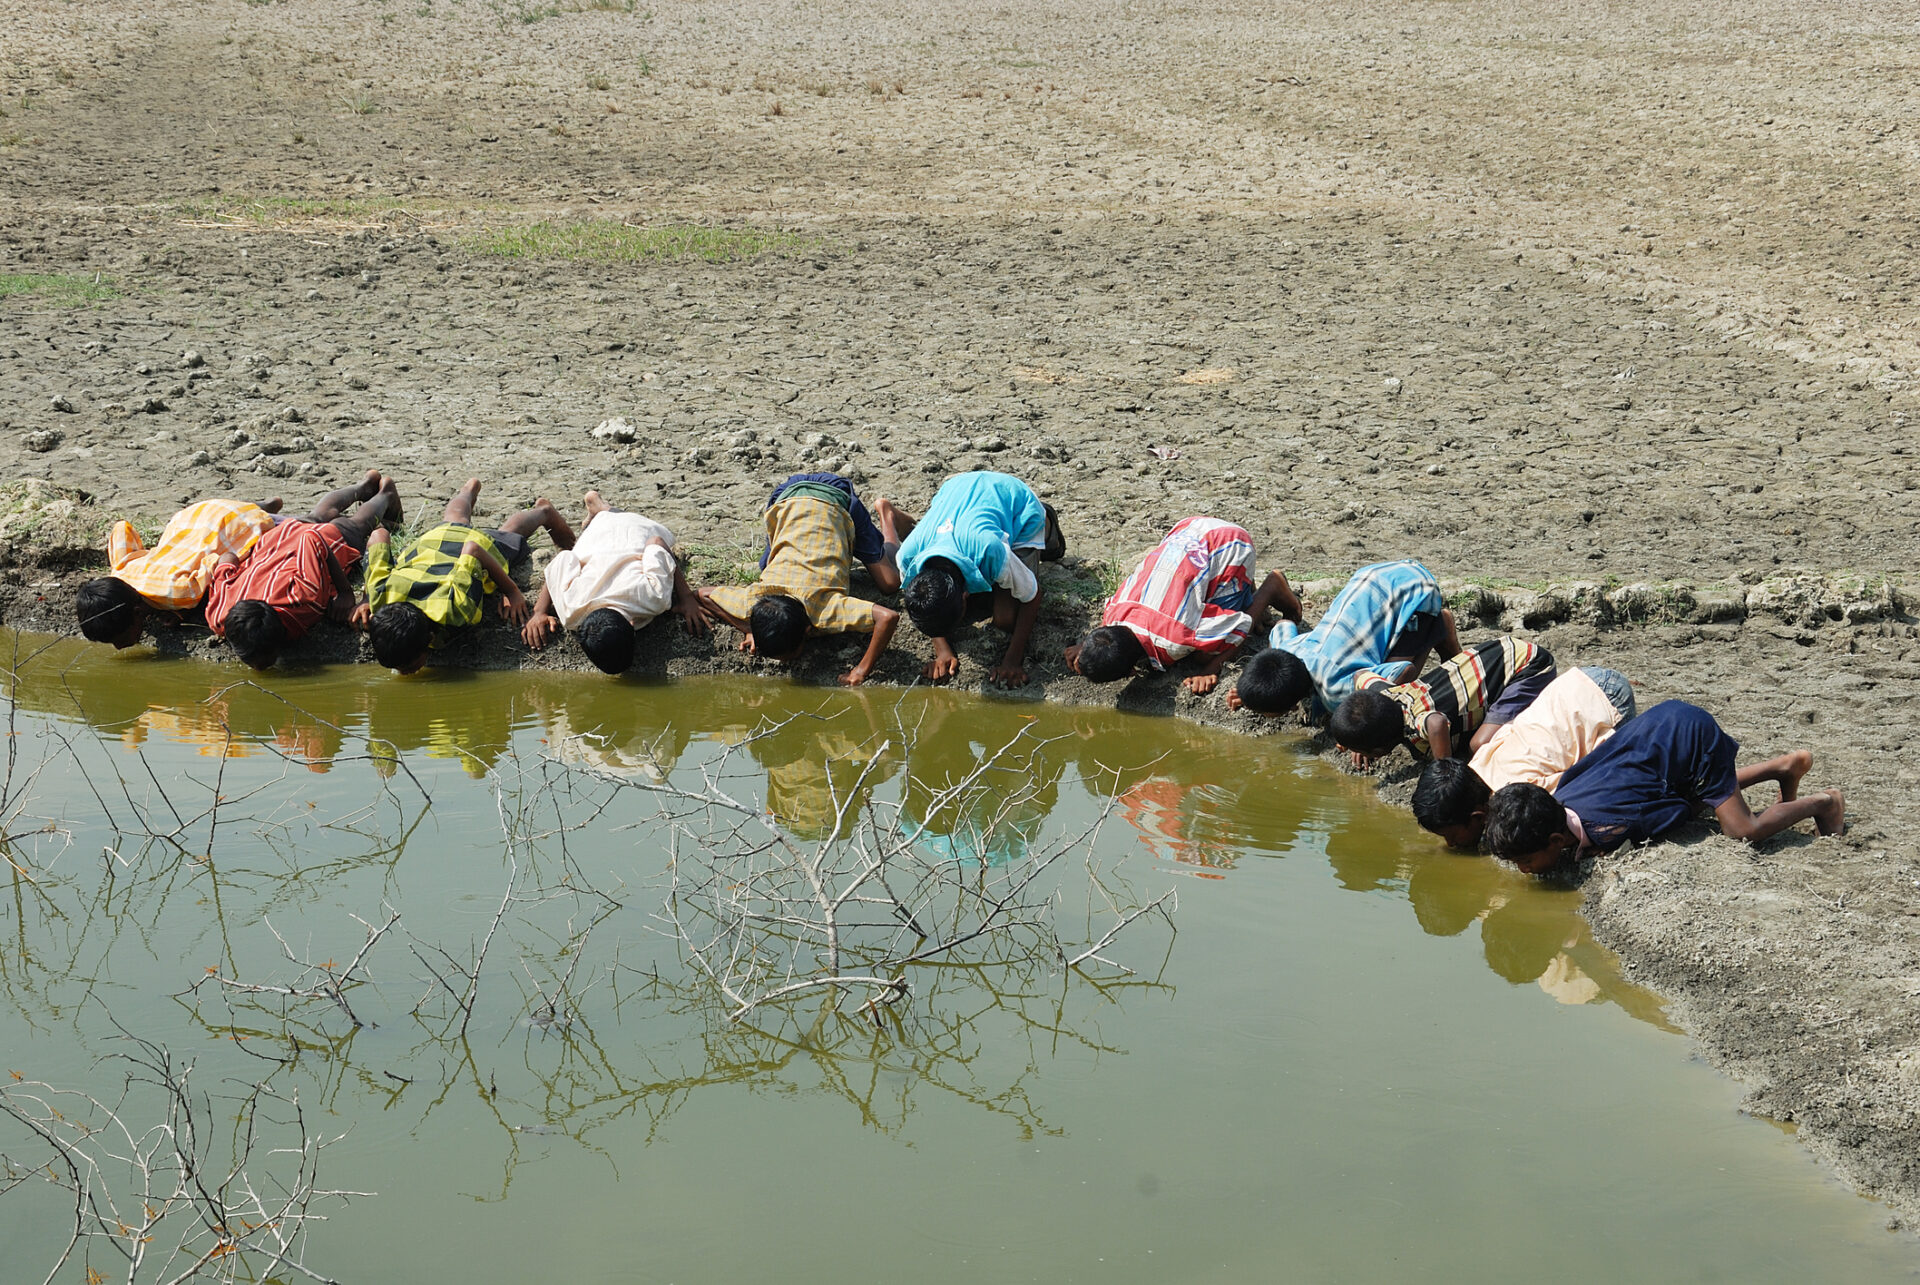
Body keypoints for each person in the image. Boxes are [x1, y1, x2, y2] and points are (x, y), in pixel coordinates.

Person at [1482, 700, 1846, 875]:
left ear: (1556, 841)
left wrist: (1611, 847)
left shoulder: (1608, 828)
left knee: (1740, 828)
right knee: (1708, 796)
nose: (1524, 870)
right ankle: (1783, 768)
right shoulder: (1558, 798)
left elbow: (1671, 812)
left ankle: (1824, 803)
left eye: (1526, 861)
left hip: (1688, 738)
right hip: (1658, 732)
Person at [697, 471, 900, 686]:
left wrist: (861, 670)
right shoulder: (755, 600)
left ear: (808, 630)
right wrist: (749, 628)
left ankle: (888, 517)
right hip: (785, 496)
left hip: (834, 498)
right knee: (765, 567)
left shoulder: (823, 609)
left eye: (791, 657)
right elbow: (703, 594)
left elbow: (888, 618)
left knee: (889, 582)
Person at [355, 478, 576, 674]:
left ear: (430, 639)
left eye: (410, 667)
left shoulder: (454, 607)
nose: (404, 674)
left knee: (509, 536)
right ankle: (468, 490)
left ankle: (544, 512)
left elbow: (472, 550)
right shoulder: (380, 596)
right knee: (455, 519)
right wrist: (368, 598)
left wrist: (511, 591)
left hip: (474, 549)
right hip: (431, 543)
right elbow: (379, 534)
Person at [1062, 517, 1301, 695]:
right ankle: (1244, 589)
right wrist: (1088, 647)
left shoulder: (1173, 640)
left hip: (1232, 544)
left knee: (1202, 653)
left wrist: (1211, 668)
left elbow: (1238, 628)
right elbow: (1107, 636)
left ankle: (1272, 587)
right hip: (1190, 527)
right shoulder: (1112, 613)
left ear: (1132, 671)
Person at [1411, 667, 1637, 849]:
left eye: (1451, 836)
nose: (1451, 844)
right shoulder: (1478, 764)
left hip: (1609, 696)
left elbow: (1581, 779)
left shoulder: (1522, 791)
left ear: (1478, 816)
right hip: (1574, 682)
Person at [879, 471, 1063, 688]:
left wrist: (1013, 660)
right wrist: (942, 649)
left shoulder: (990, 550)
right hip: (956, 488)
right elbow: (920, 603)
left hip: (1013, 499)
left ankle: (1047, 519)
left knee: (1006, 619)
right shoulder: (908, 558)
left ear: (966, 596)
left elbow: (1033, 595)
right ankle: (889, 515)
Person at [204, 472, 403, 670]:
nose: (259, 668)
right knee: (315, 517)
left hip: (316, 545)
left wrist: (345, 593)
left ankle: (385, 494)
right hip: (277, 539)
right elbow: (228, 558)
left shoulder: (303, 598)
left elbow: (312, 539)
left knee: (351, 527)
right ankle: (364, 487)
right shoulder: (220, 615)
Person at [1227, 559, 1458, 718]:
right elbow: (1282, 625)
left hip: (1415, 591)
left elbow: (1403, 671)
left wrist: (1365, 714)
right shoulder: (1286, 650)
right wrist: (1255, 691)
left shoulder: (1337, 690)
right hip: (1374, 575)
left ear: (1289, 705)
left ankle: (1438, 629)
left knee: (1387, 687)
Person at [520, 490, 706, 674]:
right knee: (591, 533)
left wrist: (686, 598)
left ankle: (601, 509)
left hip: (637, 528)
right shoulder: (570, 610)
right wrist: (540, 611)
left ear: (632, 627)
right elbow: (563, 559)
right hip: (609, 531)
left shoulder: (653, 597)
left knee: (605, 522)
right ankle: (600, 508)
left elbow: (657, 541)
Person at [77, 495, 283, 647]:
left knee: (272, 535)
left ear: (138, 612)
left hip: (234, 525)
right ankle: (253, 506)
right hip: (195, 514)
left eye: (119, 640)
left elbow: (216, 561)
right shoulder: (120, 571)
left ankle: (266, 515)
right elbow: (121, 527)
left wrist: (183, 609)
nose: (119, 647)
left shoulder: (179, 594)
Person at [1329, 636, 1557, 766]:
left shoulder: (1415, 719)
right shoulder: (1386, 695)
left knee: (1478, 747)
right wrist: (1358, 739)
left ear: (1379, 748)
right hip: (1497, 654)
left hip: (1528, 666)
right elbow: (1361, 677)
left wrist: (1443, 770)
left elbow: (1437, 724)